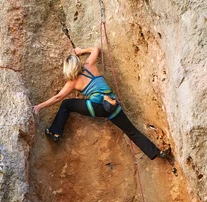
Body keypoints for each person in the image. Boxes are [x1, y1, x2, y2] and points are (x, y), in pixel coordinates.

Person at [32, 47, 167, 160]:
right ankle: (157, 152)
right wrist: (81, 50)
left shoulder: (72, 81)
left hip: (96, 107)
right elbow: (96, 48)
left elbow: (58, 97)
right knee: (131, 131)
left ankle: (55, 132)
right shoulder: (89, 66)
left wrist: (39, 106)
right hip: (112, 104)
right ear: (78, 63)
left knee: (66, 104)